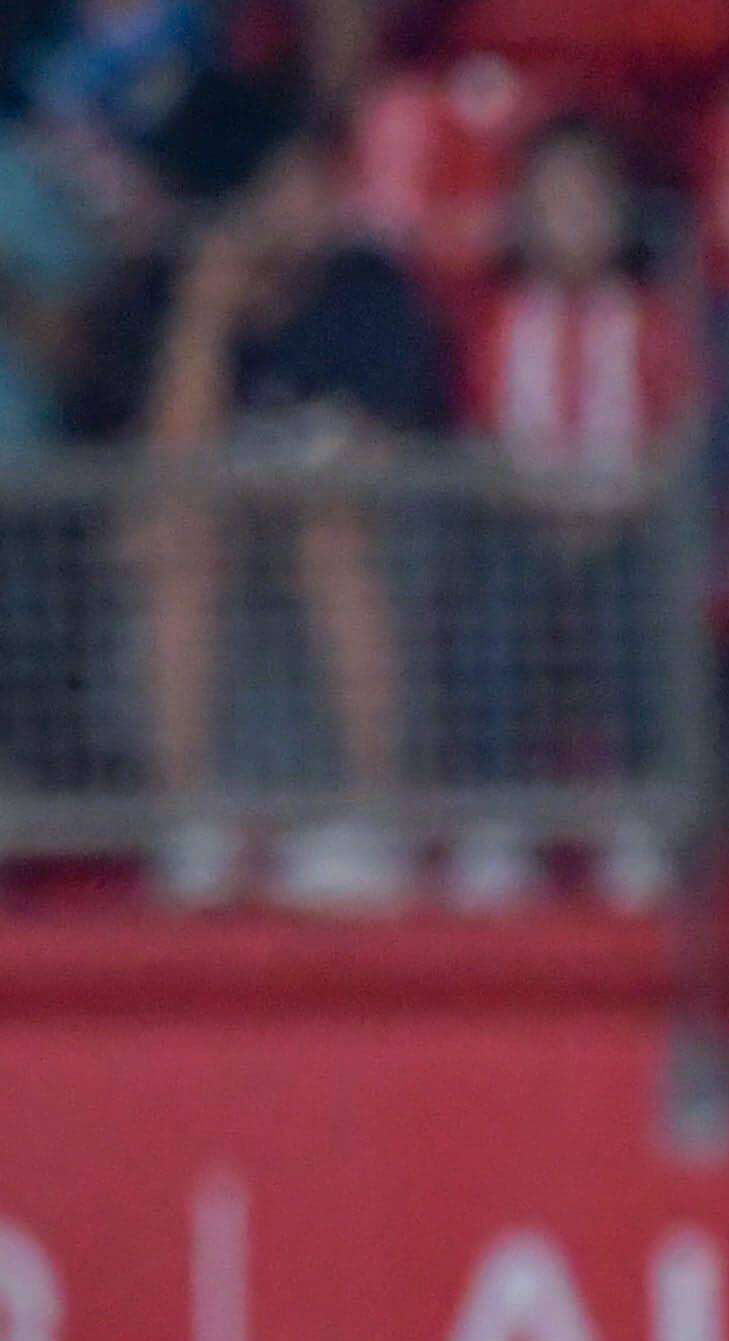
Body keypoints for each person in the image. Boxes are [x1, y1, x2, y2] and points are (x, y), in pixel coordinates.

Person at [115, 77, 448, 912]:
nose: (314, 200)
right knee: (177, 544)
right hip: (227, 547)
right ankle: (188, 825)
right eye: (289, 182)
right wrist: (204, 317)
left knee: (328, 532)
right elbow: (163, 474)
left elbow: (380, 447)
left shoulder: (367, 282)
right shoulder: (165, 294)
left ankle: (374, 819)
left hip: (367, 548)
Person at [438, 110, 690, 912]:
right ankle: (501, 816)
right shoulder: (498, 319)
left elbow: (679, 431)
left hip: (629, 523)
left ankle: (641, 813)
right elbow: (481, 436)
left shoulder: (653, 317)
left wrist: (626, 501)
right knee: (494, 612)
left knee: (637, 609)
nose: (572, 218)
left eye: (590, 199)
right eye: (553, 199)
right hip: (525, 520)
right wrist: (534, 504)